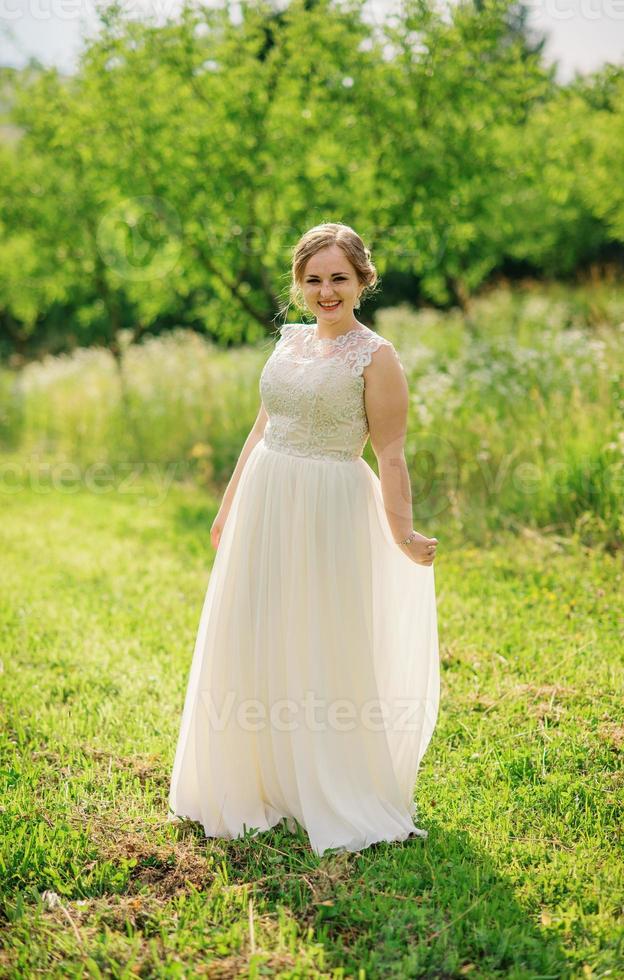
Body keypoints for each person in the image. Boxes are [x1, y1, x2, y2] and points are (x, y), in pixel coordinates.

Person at [167, 222, 440, 857]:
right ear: (298, 284)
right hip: (267, 497)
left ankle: (325, 782)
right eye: (313, 279)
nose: (325, 291)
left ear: (362, 282)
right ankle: (253, 778)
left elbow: (392, 454)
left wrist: (401, 532)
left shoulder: (377, 357)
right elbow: (260, 429)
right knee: (255, 626)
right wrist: (229, 504)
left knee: (318, 635)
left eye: (338, 278)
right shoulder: (288, 345)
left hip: (328, 507)